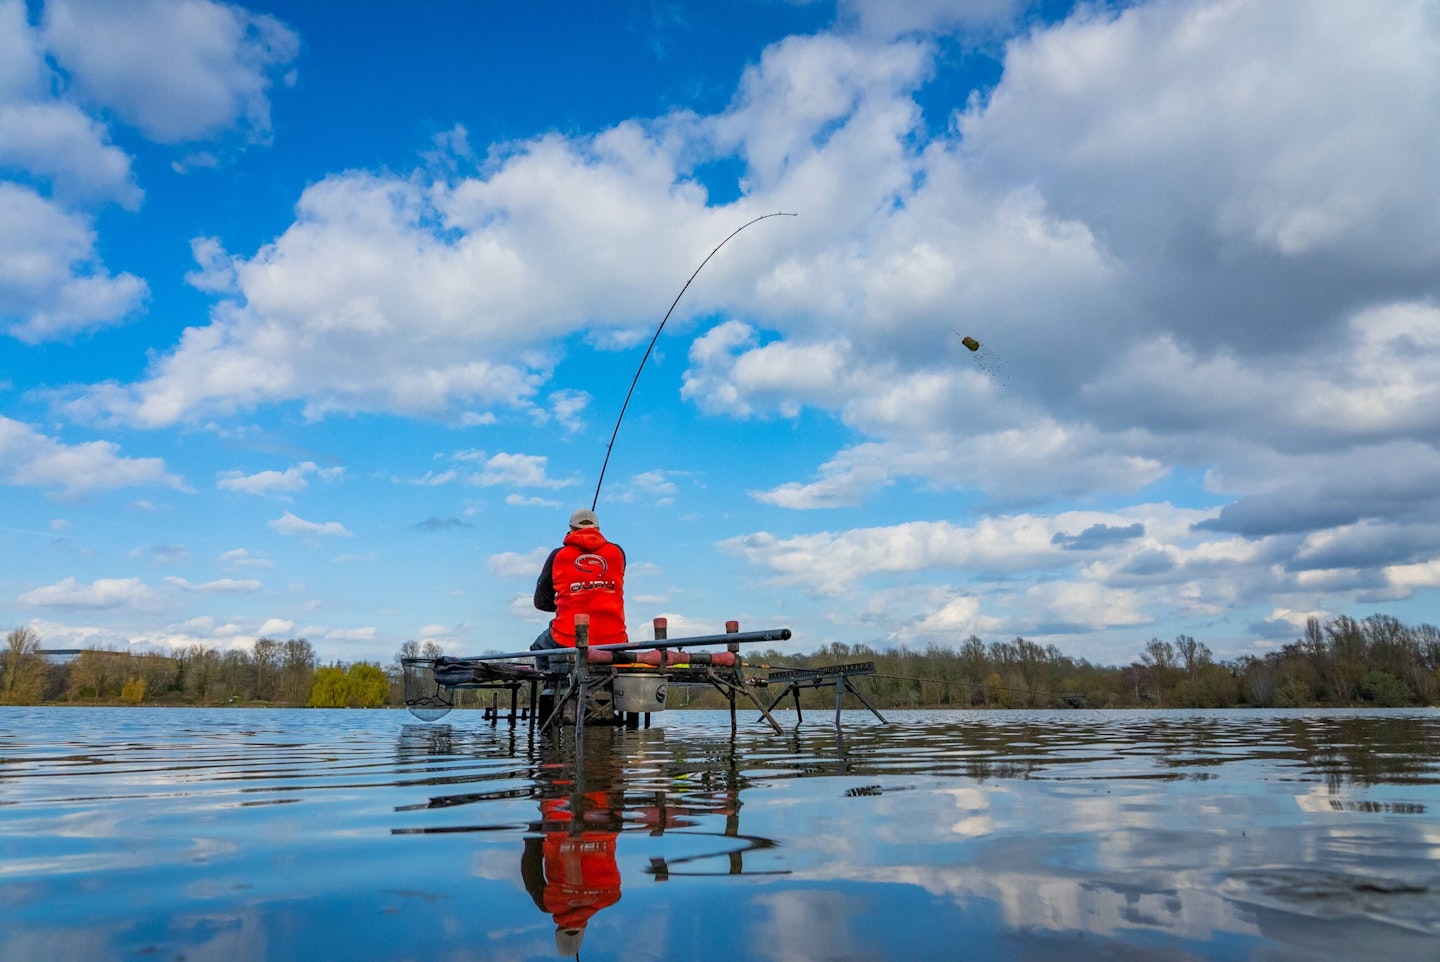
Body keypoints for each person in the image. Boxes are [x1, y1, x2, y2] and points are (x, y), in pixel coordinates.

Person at [531, 508, 628, 674]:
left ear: (571, 529)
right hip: (615, 640)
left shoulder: (557, 555)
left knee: (538, 648)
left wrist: (569, 603)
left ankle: (550, 690)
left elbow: (541, 602)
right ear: (598, 529)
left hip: (568, 637)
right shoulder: (617, 552)